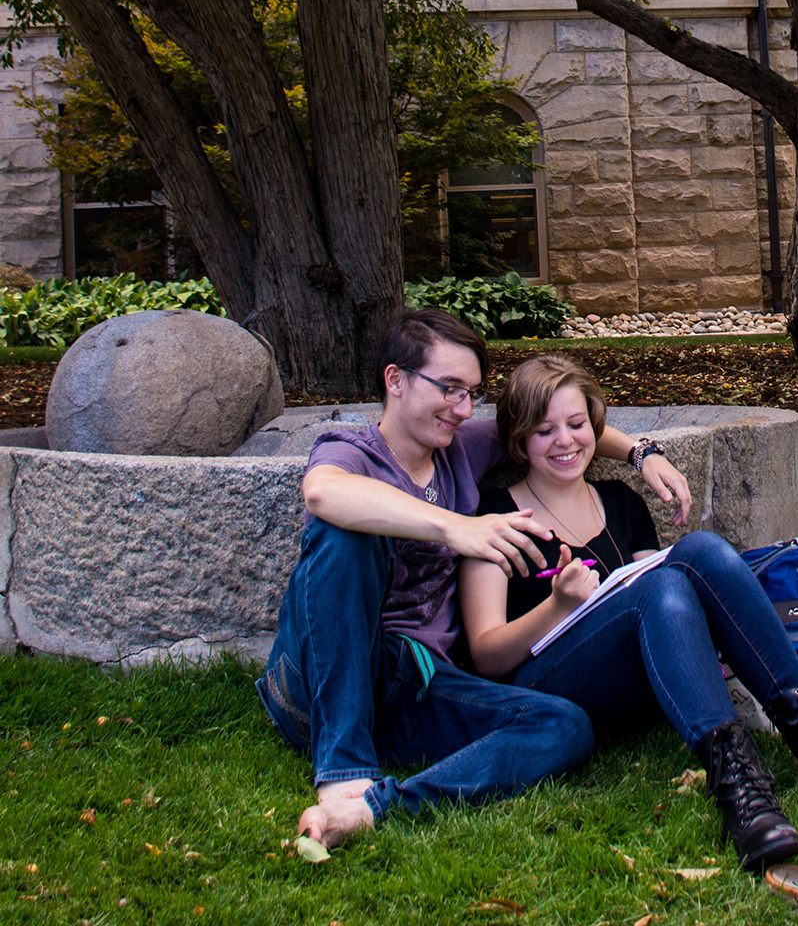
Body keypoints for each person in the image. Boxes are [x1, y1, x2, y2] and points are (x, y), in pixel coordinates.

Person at [256, 310, 694, 849]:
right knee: (345, 533)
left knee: (564, 725)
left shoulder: (459, 447)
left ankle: (380, 807)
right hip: (321, 682)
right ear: (396, 380)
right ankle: (343, 772)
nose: (463, 409)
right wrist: (455, 529)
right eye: (449, 389)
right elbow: (323, 493)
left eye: (471, 393)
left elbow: (553, 427)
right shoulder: (351, 452)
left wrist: (641, 453)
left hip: (411, 688)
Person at [458, 355, 798, 871]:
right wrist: (558, 605)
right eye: (544, 431)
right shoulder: (497, 516)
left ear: (595, 424)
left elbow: (667, 597)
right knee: (663, 585)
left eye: (577, 424)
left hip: (639, 680)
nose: (565, 441)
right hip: (551, 688)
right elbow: (487, 655)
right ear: (518, 440)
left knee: (702, 552)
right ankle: (741, 791)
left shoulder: (620, 502)